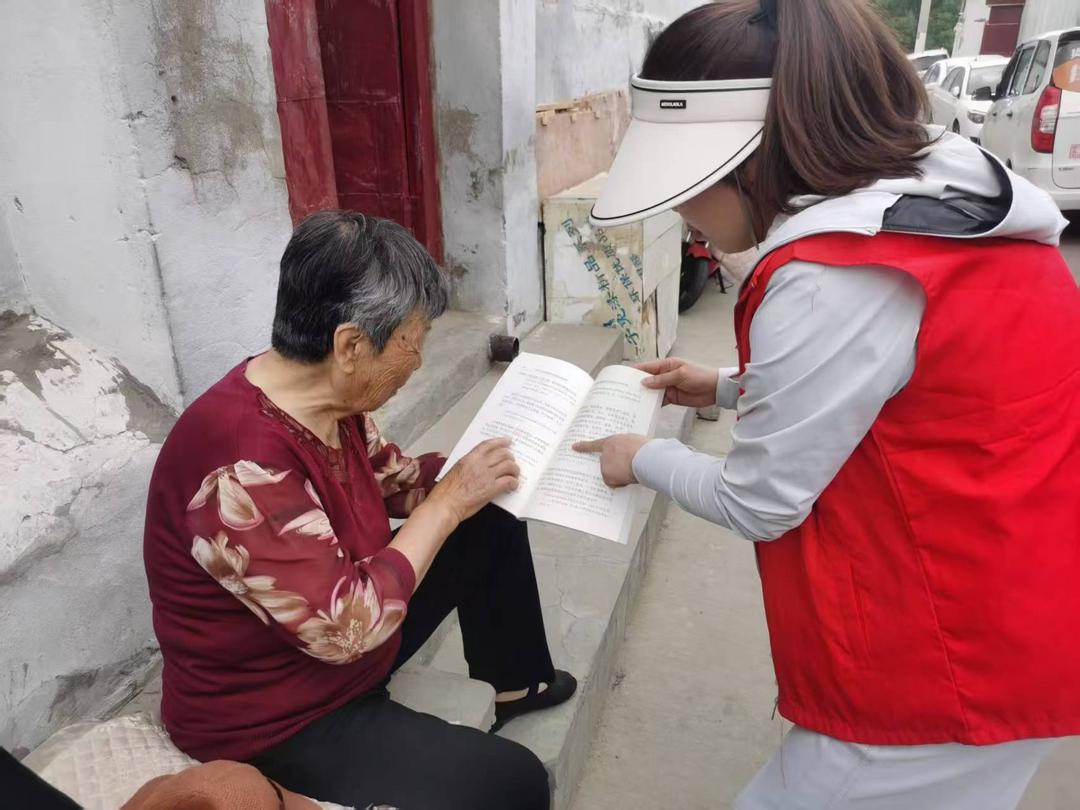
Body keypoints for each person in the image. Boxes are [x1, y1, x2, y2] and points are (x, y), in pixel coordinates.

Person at [575, 1, 1080, 808]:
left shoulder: (830, 273)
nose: (680, 209)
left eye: (691, 183)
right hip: (1023, 594)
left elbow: (760, 501)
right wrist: (729, 384)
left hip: (948, 658)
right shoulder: (939, 189)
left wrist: (643, 458)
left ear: (759, 156)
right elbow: (912, 382)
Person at [144, 211, 576, 810]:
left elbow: (393, 480)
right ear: (350, 345)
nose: (418, 364)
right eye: (412, 345)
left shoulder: (327, 404)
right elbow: (348, 630)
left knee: (491, 512)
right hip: (280, 714)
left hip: (349, 638)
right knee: (517, 783)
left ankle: (515, 681)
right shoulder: (240, 468)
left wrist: (482, 467)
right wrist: (446, 505)